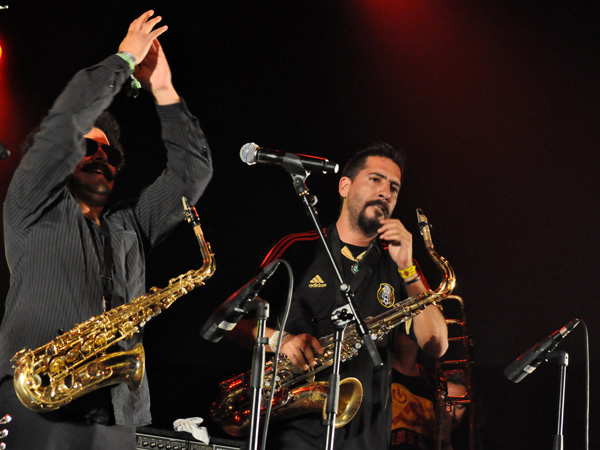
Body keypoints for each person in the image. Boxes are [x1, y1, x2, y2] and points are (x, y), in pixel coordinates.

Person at [0, 10, 213, 450]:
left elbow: (191, 172)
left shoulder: (130, 223)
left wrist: (164, 89)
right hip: (34, 398)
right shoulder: (32, 202)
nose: (102, 155)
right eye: (89, 147)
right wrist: (123, 61)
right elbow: (65, 126)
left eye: (111, 152)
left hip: (118, 411)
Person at [229, 142, 448, 450]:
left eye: (394, 187)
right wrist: (280, 339)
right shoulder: (297, 249)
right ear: (344, 186)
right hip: (291, 434)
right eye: (375, 179)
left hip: (366, 439)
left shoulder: (400, 266)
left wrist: (409, 269)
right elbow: (228, 323)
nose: (386, 191)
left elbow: (437, 345)